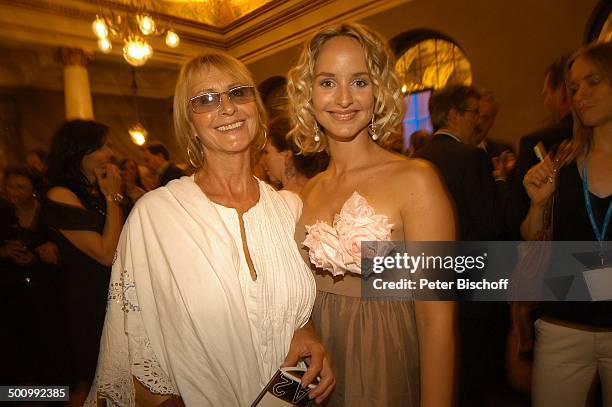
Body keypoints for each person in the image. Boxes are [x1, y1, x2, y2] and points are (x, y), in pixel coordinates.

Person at [86, 52, 334, 407]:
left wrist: (306, 331)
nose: (227, 107)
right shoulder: (155, 217)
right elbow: (129, 347)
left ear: (257, 109)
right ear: (189, 123)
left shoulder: (289, 209)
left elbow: (291, 309)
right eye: (205, 100)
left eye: (238, 93)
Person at [287, 23, 456, 407]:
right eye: (328, 82)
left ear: (378, 90)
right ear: (308, 94)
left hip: (386, 369)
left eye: (359, 82)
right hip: (318, 375)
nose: (344, 98)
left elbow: (436, 321)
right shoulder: (307, 191)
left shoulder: (416, 180)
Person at [521, 41, 612, 407]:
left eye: (593, 81)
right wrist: (539, 204)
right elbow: (530, 235)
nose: (580, 95)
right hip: (563, 326)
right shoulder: (562, 158)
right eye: (574, 87)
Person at [42, 120, 124, 405]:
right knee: (88, 382)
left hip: (108, 295)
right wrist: (114, 196)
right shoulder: (60, 194)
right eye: (102, 146)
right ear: (80, 153)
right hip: (85, 302)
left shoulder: (94, 192)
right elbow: (105, 253)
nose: (110, 152)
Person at [0, 167, 59, 385]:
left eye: (20, 186)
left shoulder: (48, 213)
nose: (12, 191)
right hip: (10, 289)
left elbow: (60, 247)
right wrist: (5, 252)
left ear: (34, 190)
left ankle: (53, 393)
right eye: (9, 185)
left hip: (44, 287)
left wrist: (44, 252)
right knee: (17, 343)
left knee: (48, 340)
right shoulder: (3, 212)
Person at [261, 115, 329, 194]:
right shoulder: (319, 190)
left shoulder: (281, 199)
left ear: (287, 155)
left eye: (266, 152)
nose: (262, 161)